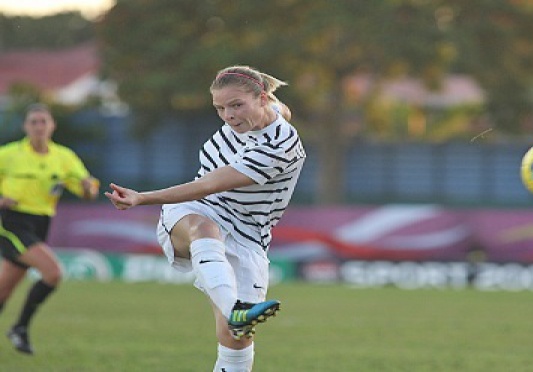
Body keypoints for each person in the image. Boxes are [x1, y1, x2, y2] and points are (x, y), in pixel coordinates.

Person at [105, 65, 306, 371]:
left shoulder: (279, 147)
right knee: (203, 228)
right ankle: (234, 310)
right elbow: (205, 192)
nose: (228, 116)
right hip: (199, 208)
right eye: (220, 108)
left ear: (262, 98)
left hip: (249, 236)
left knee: (236, 340)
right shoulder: (268, 109)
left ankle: (235, 317)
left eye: (236, 105)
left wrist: (142, 197)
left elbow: (211, 182)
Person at [0, 103, 99, 355]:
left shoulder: (64, 157)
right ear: (25, 127)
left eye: (43, 121)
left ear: (52, 125)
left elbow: (87, 190)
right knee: (52, 272)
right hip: (11, 222)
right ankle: (20, 327)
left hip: (41, 223)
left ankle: (18, 330)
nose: (39, 127)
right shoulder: (9, 154)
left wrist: (88, 187)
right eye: (34, 122)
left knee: (3, 289)